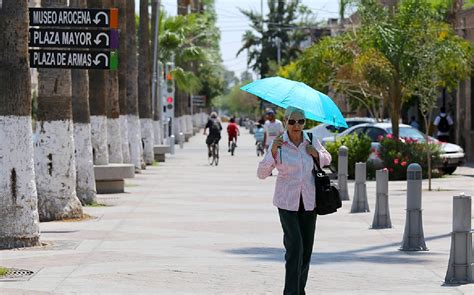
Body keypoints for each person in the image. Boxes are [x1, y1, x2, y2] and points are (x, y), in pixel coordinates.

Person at [257, 106, 332, 295]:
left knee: (306, 251)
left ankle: (300, 290)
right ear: (285, 122)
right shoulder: (279, 143)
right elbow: (262, 173)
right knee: (295, 248)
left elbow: (327, 158)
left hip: (309, 202)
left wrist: (316, 153)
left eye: (301, 121)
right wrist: (273, 151)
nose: (296, 125)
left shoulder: (311, 139)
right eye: (292, 122)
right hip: (286, 203)